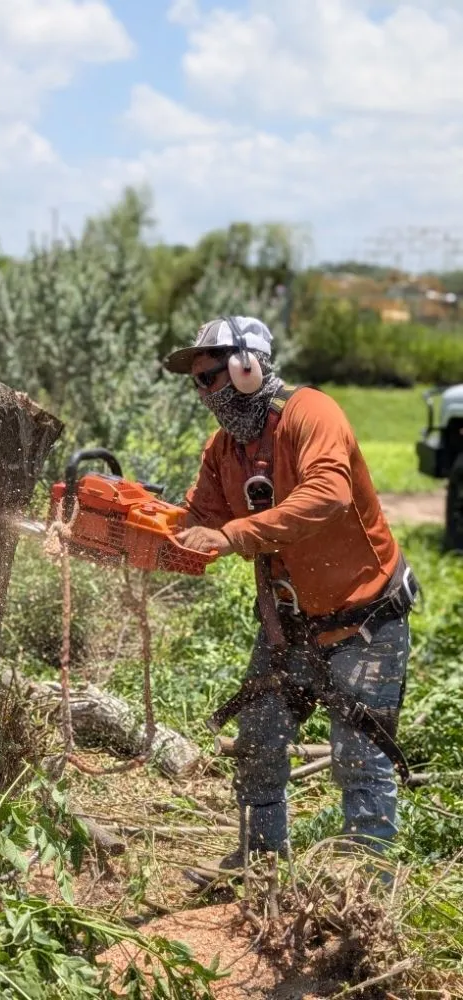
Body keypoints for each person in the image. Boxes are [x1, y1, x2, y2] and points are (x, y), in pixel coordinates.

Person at [163, 315, 419, 878]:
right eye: (196, 382)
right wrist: (125, 531)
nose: (202, 392)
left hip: (365, 615)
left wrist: (233, 535)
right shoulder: (223, 449)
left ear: (245, 367)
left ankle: (365, 887)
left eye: (208, 377)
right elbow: (198, 521)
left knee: (359, 753)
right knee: (257, 738)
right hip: (291, 623)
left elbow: (328, 494)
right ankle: (260, 860)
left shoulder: (311, 414)